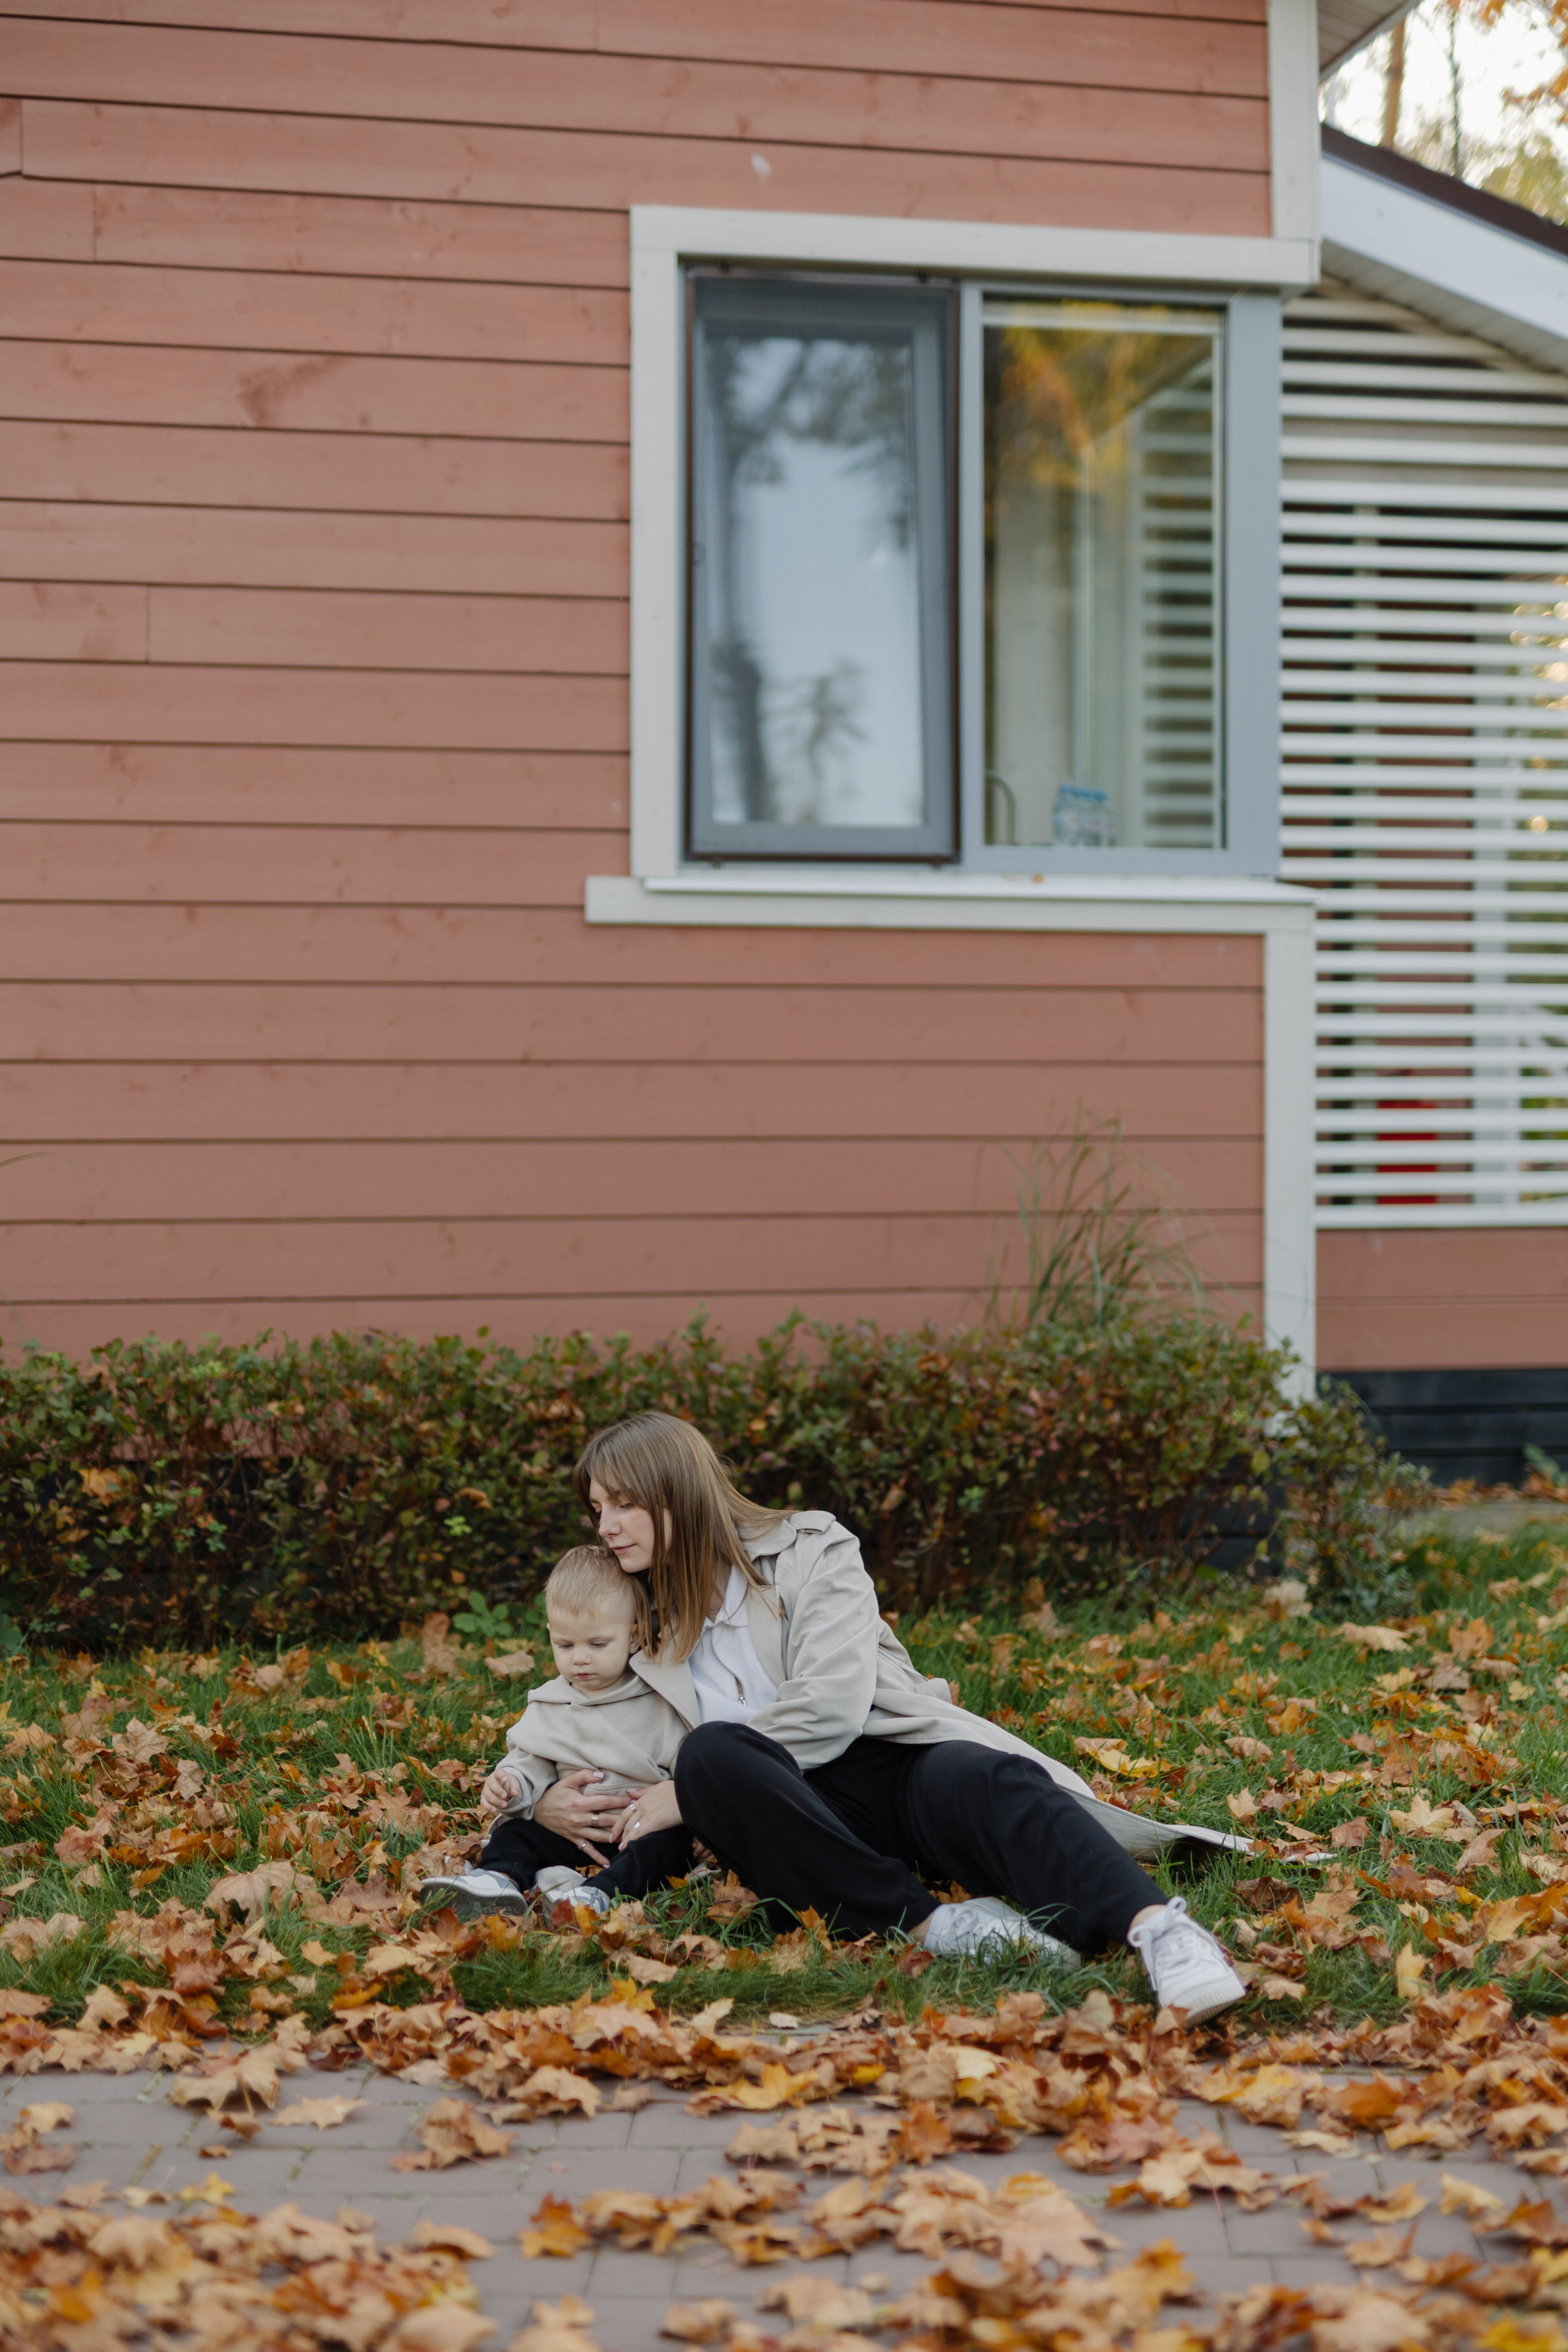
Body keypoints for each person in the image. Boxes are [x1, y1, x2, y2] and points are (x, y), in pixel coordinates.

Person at [559, 1411, 1248, 2025]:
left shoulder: (812, 1550)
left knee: (979, 1775)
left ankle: (1163, 1933)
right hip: (788, 1816)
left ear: (678, 1491)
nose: (607, 1526)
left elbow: (831, 1704)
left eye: (624, 1504)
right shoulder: (637, 1608)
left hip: (886, 1763)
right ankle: (932, 1926)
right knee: (715, 1753)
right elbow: (578, 1702)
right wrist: (540, 1798)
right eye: (597, 1509)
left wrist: (683, 1795)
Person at [418, 1545, 692, 1921]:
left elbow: (688, 1769)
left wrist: (695, 1818)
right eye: (565, 1645)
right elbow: (529, 1763)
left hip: (637, 1833)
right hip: (571, 1836)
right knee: (516, 1834)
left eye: (597, 1644)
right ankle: (496, 1879)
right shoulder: (551, 1705)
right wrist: (510, 1784)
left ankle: (598, 1895)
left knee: (668, 1846)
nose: (579, 1658)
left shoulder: (660, 1702)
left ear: (635, 1635)